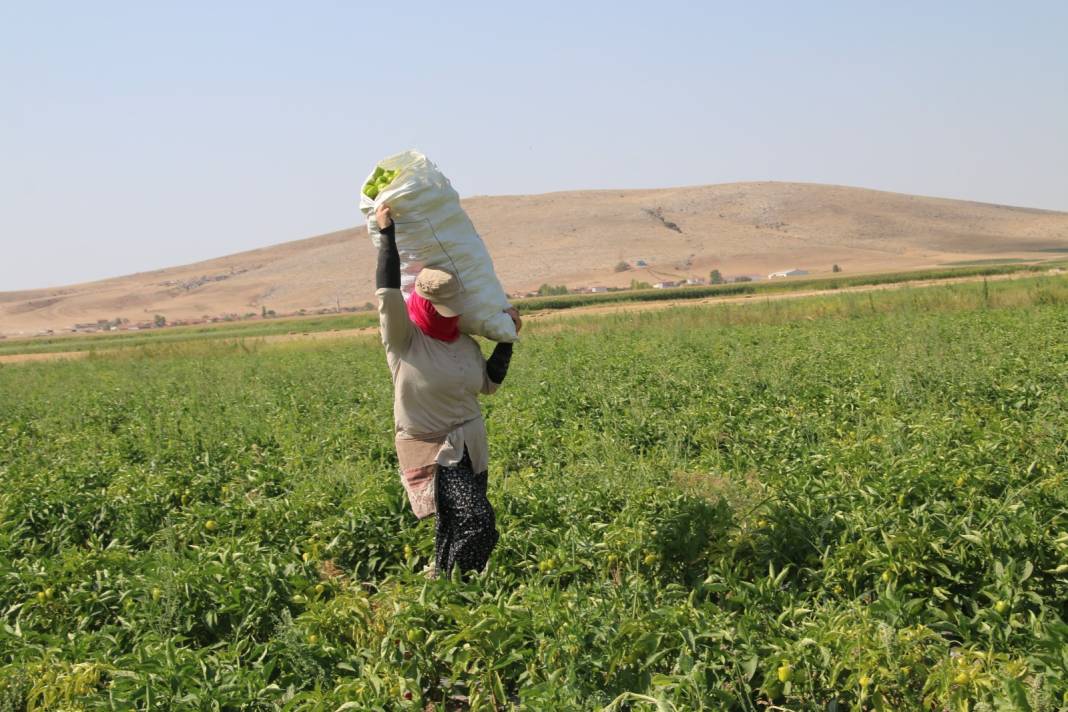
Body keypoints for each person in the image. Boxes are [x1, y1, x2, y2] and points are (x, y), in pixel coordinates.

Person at [373, 202, 519, 578]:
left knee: (454, 524)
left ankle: (442, 577)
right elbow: (388, 295)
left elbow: (490, 384)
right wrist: (386, 236)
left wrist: (507, 339)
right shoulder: (405, 340)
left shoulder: (464, 344)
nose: (449, 316)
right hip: (434, 449)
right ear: (423, 304)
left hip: (470, 444)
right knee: (478, 522)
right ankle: (458, 582)